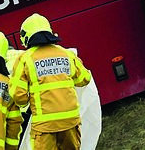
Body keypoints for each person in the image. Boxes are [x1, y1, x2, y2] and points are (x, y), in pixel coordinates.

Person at [9, 14, 92, 150]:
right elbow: (84, 79)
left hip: (45, 126)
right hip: (70, 122)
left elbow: (19, 96)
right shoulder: (67, 54)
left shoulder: (25, 59)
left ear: (26, 36)